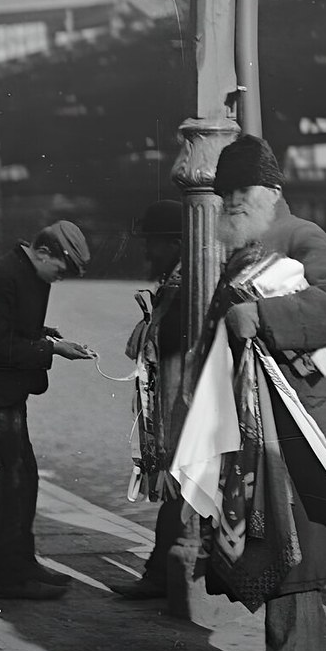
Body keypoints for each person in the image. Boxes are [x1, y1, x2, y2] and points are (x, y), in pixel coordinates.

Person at [175, 134, 326, 651]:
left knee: (292, 553)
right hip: (259, 428)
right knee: (282, 551)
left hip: (294, 431)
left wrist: (262, 315)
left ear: (273, 191)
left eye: (243, 190)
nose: (233, 200)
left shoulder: (301, 236)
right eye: (226, 191)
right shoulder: (251, 243)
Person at [0, 221, 93, 600]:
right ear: (44, 252)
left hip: (6, 391)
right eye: (60, 271)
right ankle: (6, 579)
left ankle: (21, 563)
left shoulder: (28, 273)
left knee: (24, 478)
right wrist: (53, 350)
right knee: (4, 485)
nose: (59, 280)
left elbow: (11, 326)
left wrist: (44, 333)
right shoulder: (0, 276)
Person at [109, 199, 194, 600]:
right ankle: (160, 572)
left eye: (153, 243)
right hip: (171, 406)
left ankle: (161, 575)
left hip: (177, 411)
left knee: (176, 491)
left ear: (177, 243)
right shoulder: (179, 284)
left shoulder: (181, 289)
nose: (146, 251)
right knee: (175, 492)